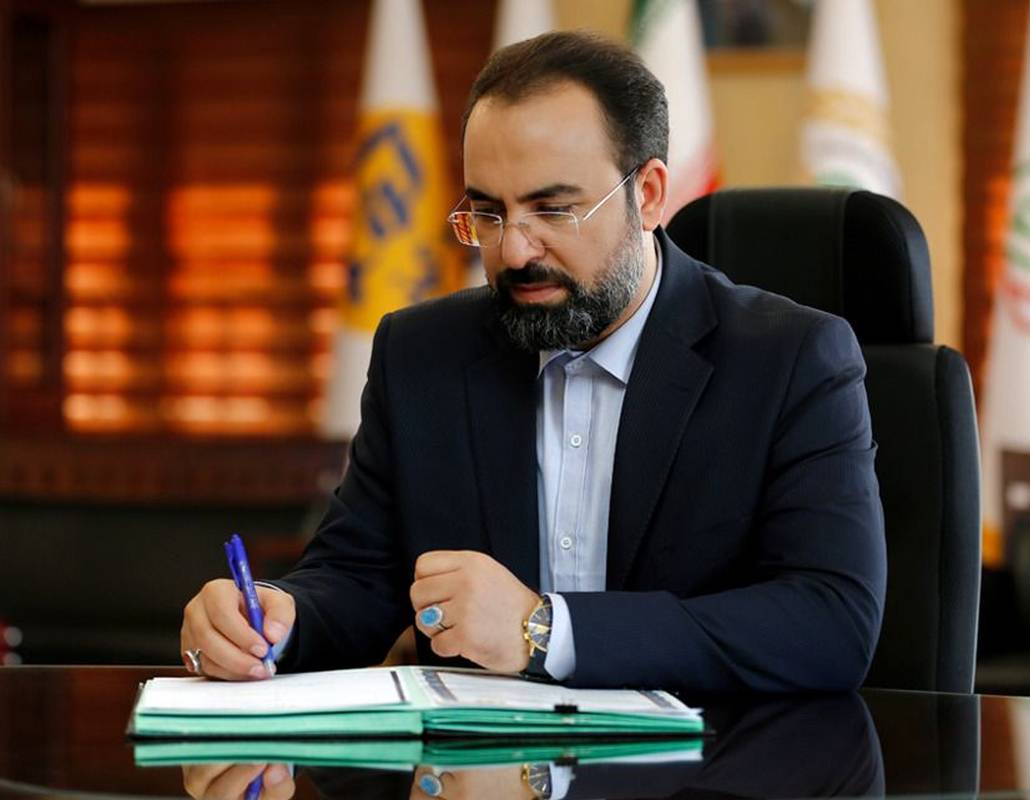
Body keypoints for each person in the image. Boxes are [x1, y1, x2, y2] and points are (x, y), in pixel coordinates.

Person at [180, 31, 886, 692]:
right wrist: (276, 617)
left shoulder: (791, 360)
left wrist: (543, 630)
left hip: (717, 761)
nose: (514, 251)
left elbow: (830, 619)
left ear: (647, 195)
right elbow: (357, 577)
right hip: (477, 763)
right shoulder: (422, 355)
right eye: (488, 214)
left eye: (553, 210)